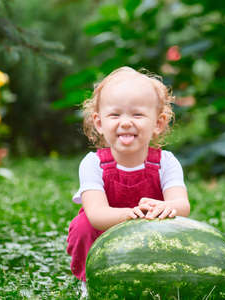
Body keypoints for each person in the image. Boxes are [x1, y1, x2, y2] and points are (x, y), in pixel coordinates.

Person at [66, 66, 190, 296]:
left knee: (180, 232)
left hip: (153, 233)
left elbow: (182, 205)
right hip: (105, 233)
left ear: (158, 123)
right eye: (115, 115)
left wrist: (166, 207)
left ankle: (157, 277)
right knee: (83, 227)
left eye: (137, 114)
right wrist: (131, 215)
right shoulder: (93, 164)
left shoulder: (166, 162)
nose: (125, 122)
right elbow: (96, 214)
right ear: (99, 123)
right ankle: (91, 279)